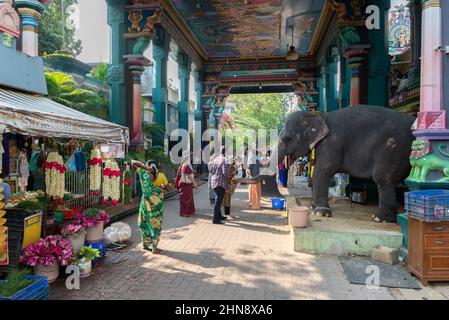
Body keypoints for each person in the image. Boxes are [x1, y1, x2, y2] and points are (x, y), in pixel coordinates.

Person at [131, 160, 164, 254]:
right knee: (155, 224)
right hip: (156, 203)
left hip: (145, 203)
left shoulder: (143, 174)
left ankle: (146, 245)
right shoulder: (158, 174)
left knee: (145, 223)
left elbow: (133, 162)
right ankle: (154, 247)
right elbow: (162, 186)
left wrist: (144, 167)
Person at [208, 147, 229, 224]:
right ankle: (215, 219)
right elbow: (225, 172)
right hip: (220, 183)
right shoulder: (224, 159)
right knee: (218, 201)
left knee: (218, 200)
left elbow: (211, 170)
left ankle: (219, 216)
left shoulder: (216, 159)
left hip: (214, 182)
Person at [175, 152, 197, 217]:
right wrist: (194, 183)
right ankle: (187, 213)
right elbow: (189, 175)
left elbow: (178, 174)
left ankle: (182, 212)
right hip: (187, 184)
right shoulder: (187, 165)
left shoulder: (182, 165)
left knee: (183, 198)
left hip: (182, 183)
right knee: (188, 198)